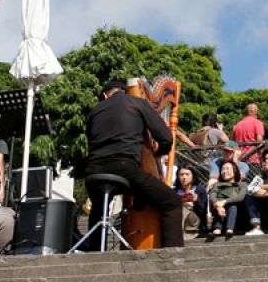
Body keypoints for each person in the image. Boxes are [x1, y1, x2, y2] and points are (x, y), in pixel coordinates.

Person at [86, 79, 185, 247]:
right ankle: (172, 253)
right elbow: (166, 138)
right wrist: (157, 153)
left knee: (98, 208)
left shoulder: (94, 111)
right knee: (173, 202)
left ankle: (94, 250)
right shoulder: (137, 103)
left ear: (105, 95)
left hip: (93, 170)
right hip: (125, 168)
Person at [206, 160, 245, 238]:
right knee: (217, 202)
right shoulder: (217, 185)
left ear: (235, 171)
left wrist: (224, 201)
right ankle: (217, 228)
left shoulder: (241, 184)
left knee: (233, 206)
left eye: (227, 169)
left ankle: (230, 228)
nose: (224, 171)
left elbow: (240, 197)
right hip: (218, 209)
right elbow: (212, 195)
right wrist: (219, 206)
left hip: (236, 211)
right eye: (222, 169)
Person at [174, 166, 207, 234]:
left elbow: (203, 211)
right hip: (179, 220)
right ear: (178, 177)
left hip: (195, 221)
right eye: (181, 174)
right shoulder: (174, 191)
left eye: (187, 174)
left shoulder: (199, 189)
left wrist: (197, 201)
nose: (184, 177)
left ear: (193, 176)